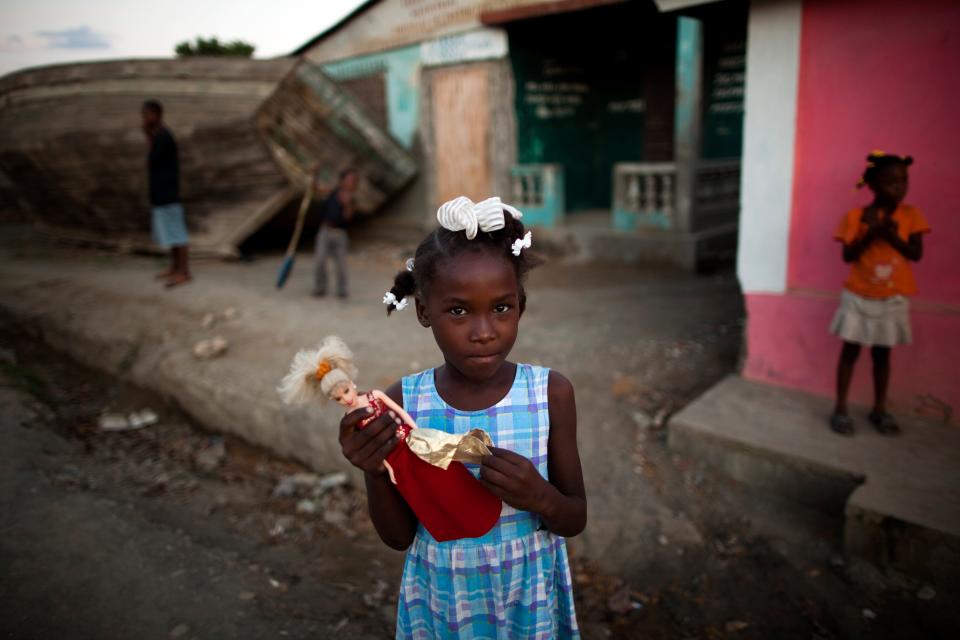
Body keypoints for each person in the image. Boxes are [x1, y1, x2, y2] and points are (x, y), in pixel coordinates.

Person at [338, 196, 585, 638]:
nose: (484, 331)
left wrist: (541, 497)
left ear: (521, 307)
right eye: (458, 311)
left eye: (502, 308)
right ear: (423, 312)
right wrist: (375, 471)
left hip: (528, 607)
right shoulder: (404, 403)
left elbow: (574, 516)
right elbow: (398, 539)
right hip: (444, 607)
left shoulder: (550, 394)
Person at [829, 152, 931, 436]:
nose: (899, 188)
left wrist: (892, 236)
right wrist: (871, 234)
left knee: (882, 355)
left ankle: (879, 409)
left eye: (903, 181)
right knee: (850, 352)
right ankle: (840, 409)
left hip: (892, 298)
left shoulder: (912, 215)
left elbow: (916, 254)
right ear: (872, 185)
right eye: (890, 182)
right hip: (859, 295)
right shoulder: (856, 217)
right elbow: (848, 256)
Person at [142, 99, 191, 288]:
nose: (144, 119)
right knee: (172, 235)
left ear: (156, 115)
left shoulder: (163, 137)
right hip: (161, 194)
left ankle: (184, 272)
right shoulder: (159, 136)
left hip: (168, 193)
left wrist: (148, 136)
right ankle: (175, 268)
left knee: (178, 235)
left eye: (147, 114)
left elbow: (151, 163)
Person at [313, 168, 358, 298]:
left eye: (353, 180)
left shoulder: (352, 199)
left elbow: (348, 218)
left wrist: (347, 205)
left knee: (341, 265)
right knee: (320, 261)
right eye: (349, 180)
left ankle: (342, 290)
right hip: (325, 231)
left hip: (340, 234)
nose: (351, 183)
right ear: (342, 180)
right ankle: (319, 288)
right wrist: (315, 175)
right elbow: (316, 190)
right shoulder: (333, 191)